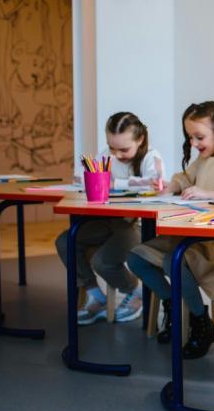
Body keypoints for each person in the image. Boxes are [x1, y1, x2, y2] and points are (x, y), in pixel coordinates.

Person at [127, 101, 214, 359]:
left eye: (200, 137)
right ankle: (174, 305)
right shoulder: (202, 160)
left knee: (173, 260)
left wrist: (207, 193)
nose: (194, 143)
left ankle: (200, 321)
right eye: (190, 138)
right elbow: (186, 178)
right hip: (187, 234)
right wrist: (169, 186)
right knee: (136, 258)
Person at [56, 111, 163, 325]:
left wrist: (115, 185)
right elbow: (84, 177)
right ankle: (96, 296)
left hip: (137, 224)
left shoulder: (152, 158)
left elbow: (155, 183)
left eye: (124, 149)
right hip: (107, 221)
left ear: (140, 139)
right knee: (66, 241)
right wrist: (89, 179)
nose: (117, 154)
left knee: (102, 261)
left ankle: (135, 294)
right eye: (112, 147)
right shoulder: (107, 155)